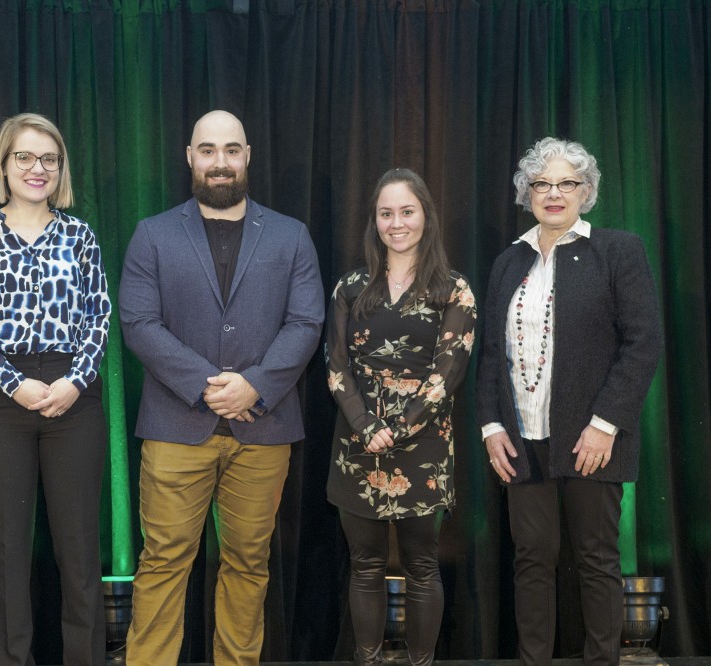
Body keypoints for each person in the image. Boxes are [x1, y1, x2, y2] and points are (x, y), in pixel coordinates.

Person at [119, 110, 325, 664]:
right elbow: (138, 323)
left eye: (231, 150)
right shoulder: (152, 234)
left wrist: (254, 386)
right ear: (190, 157)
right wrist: (210, 386)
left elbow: (306, 323)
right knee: (163, 562)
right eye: (207, 150)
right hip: (174, 427)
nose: (220, 162)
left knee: (248, 564)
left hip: (263, 429)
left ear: (248, 155)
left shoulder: (291, 235)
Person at [476, 137, 663, 666]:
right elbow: (491, 354)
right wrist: (491, 427)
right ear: (527, 192)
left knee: (596, 559)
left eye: (566, 183)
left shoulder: (618, 250)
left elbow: (643, 342)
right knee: (532, 560)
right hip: (521, 439)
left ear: (587, 191)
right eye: (541, 184)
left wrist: (606, 424)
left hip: (591, 438)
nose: (553, 194)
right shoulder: (508, 262)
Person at [0, 113, 110, 665]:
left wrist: (73, 381)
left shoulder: (80, 236)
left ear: (60, 169)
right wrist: (16, 384)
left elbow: (99, 316)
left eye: (49, 159)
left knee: (79, 553)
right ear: (4, 164)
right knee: (8, 554)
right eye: (24, 157)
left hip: (74, 396)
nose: (37, 168)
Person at [326, 168, 477, 666]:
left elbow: (448, 371)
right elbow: (337, 368)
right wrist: (367, 427)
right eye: (386, 213)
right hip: (357, 443)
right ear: (374, 221)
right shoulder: (350, 287)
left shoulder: (454, 289)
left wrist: (398, 427)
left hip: (424, 445)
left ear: (425, 218)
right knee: (365, 566)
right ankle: (366, 659)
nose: (397, 223)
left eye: (406, 212)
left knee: (422, 566)